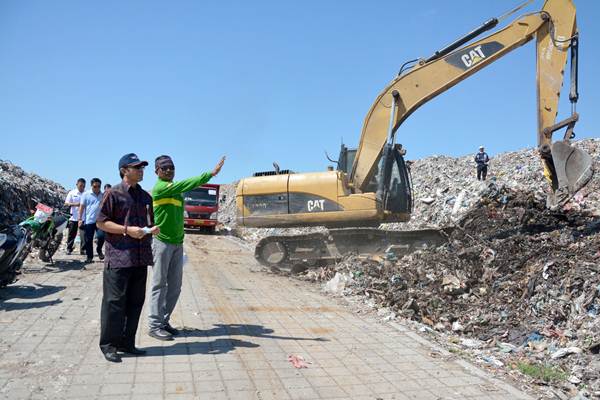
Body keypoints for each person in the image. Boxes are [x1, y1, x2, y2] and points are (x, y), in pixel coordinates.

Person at [148, 154, 225, 340]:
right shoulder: (160, 188)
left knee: (175, 286)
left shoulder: (176, 190)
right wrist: (210, 174)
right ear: (156, 171)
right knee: (159, 284)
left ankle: (164, 321)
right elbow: (186, 185)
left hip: (177, 243)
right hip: (162, 242)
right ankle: (154, 325)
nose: (168, 170)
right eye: (164, 168)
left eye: (171, 167)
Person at [96, 153, 159, 363]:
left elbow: (149, 224)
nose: (141, 170)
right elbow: (101, 223)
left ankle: (127, 342)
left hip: (140, 258)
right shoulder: (113, 194)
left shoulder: (145, 197)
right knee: (114, 303)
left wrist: (151, 230)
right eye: (136, 167)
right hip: (119, 258)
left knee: (135, 302)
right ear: (124, 170)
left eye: (142, 167)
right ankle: (109, 345)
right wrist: (127, 230)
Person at [78, 178, 105, 263]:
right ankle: (89, 257)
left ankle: (99, 249)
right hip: (89, 221)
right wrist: (80, 219)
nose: (97, 188)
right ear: (91, 186)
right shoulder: (86, 194)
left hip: (100, 221)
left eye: (99, 186)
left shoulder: (103, 195)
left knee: (101, 236)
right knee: (88, 240)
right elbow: (81, 207)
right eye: (95, 186)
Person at [64, 178, 86, 255]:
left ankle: (83, 250)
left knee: (83, 235)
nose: (82, 188)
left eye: (83, 186)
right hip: (73, 218)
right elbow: (66, 203)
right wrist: (75, 204)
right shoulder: (72, 193)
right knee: (71, 234)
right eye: (80, 186)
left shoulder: (86, 194)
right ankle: (69, 249)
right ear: (77, 184)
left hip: (83, 218)